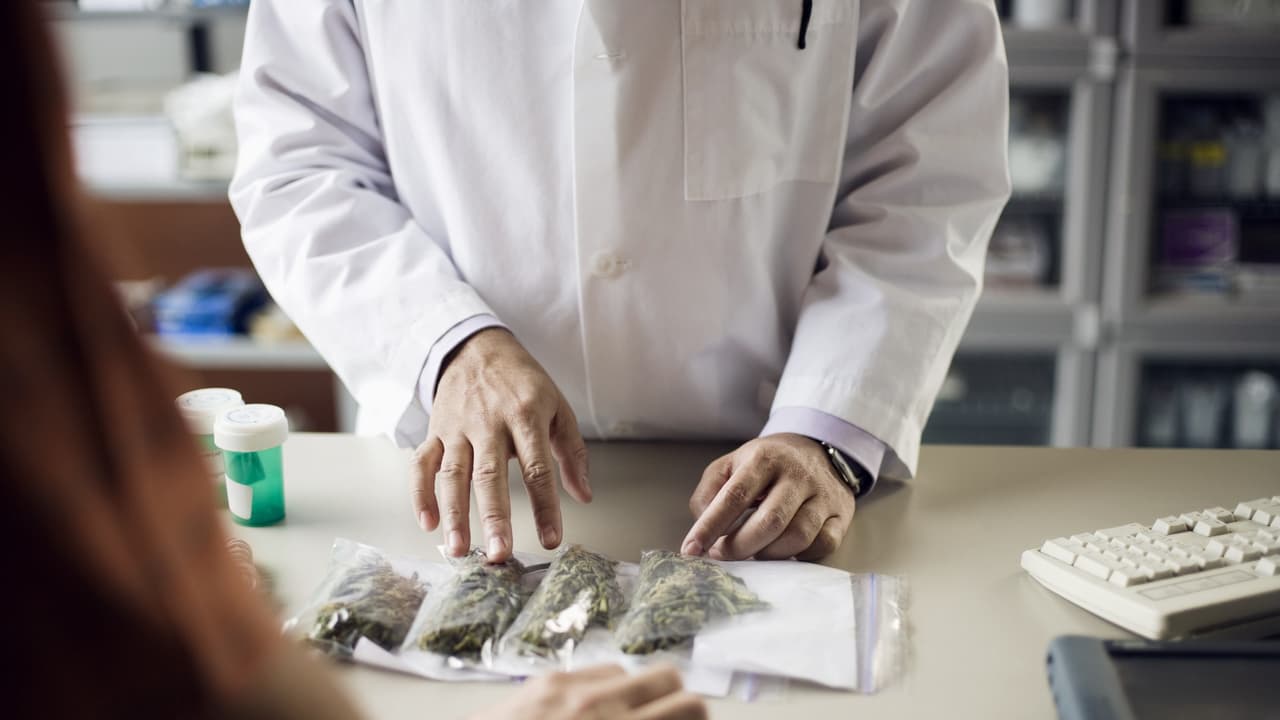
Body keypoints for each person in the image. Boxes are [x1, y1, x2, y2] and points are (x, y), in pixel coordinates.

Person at [0, 1, 702, 717]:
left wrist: (790, 421)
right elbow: (297, 167)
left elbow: (222, 666)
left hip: (727, 479)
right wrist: (449, 340)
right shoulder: (47, 396)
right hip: (449, 471)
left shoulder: (66, 380)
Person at [231, 1, 1011, 563]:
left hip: (768, 484)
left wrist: (828, 429)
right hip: (466, 478)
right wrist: (446, 343)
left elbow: (928, 173)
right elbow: (300, 162)